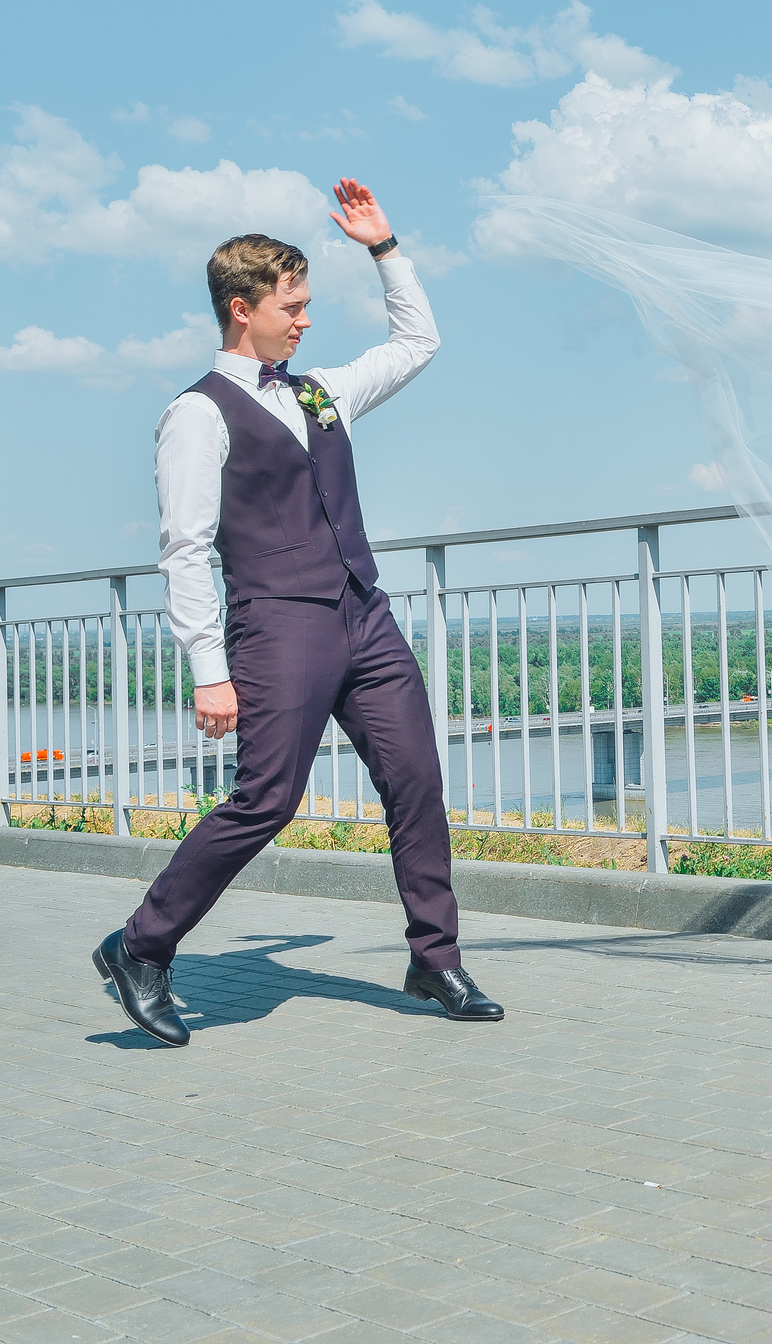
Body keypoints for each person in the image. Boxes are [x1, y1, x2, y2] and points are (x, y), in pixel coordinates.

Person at [93, 181, 503, 1047]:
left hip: (364, 615)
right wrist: (210, 668)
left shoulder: (321, 392)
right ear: (243, 310)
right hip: (279, 625)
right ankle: (141, 945)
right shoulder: (198, 414)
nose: (306, 319)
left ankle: (434, 955)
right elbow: (186, 548)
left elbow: (418, 341)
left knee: (417, 779)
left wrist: (385, 248)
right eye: (294, 305)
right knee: (267, 798)